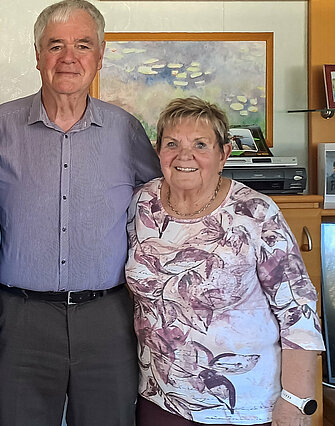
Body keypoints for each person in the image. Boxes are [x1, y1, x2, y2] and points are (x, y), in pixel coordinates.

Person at [0, 0, 161, 426]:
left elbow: (164, 205)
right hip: (20, 319)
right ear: (38, 55)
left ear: (100, 55)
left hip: (106, 320)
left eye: (82, 45)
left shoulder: (126, 131)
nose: (69, 57)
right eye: (56, 45)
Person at [126, 97, 324, 426]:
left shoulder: (255, 212)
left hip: (245, 406)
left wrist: (296, 400)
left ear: (224, 154)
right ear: (158, 151)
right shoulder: (141, 204)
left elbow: (298, 311)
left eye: (200, 144)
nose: (184, 155)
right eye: (172, 144)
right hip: (160, 398)